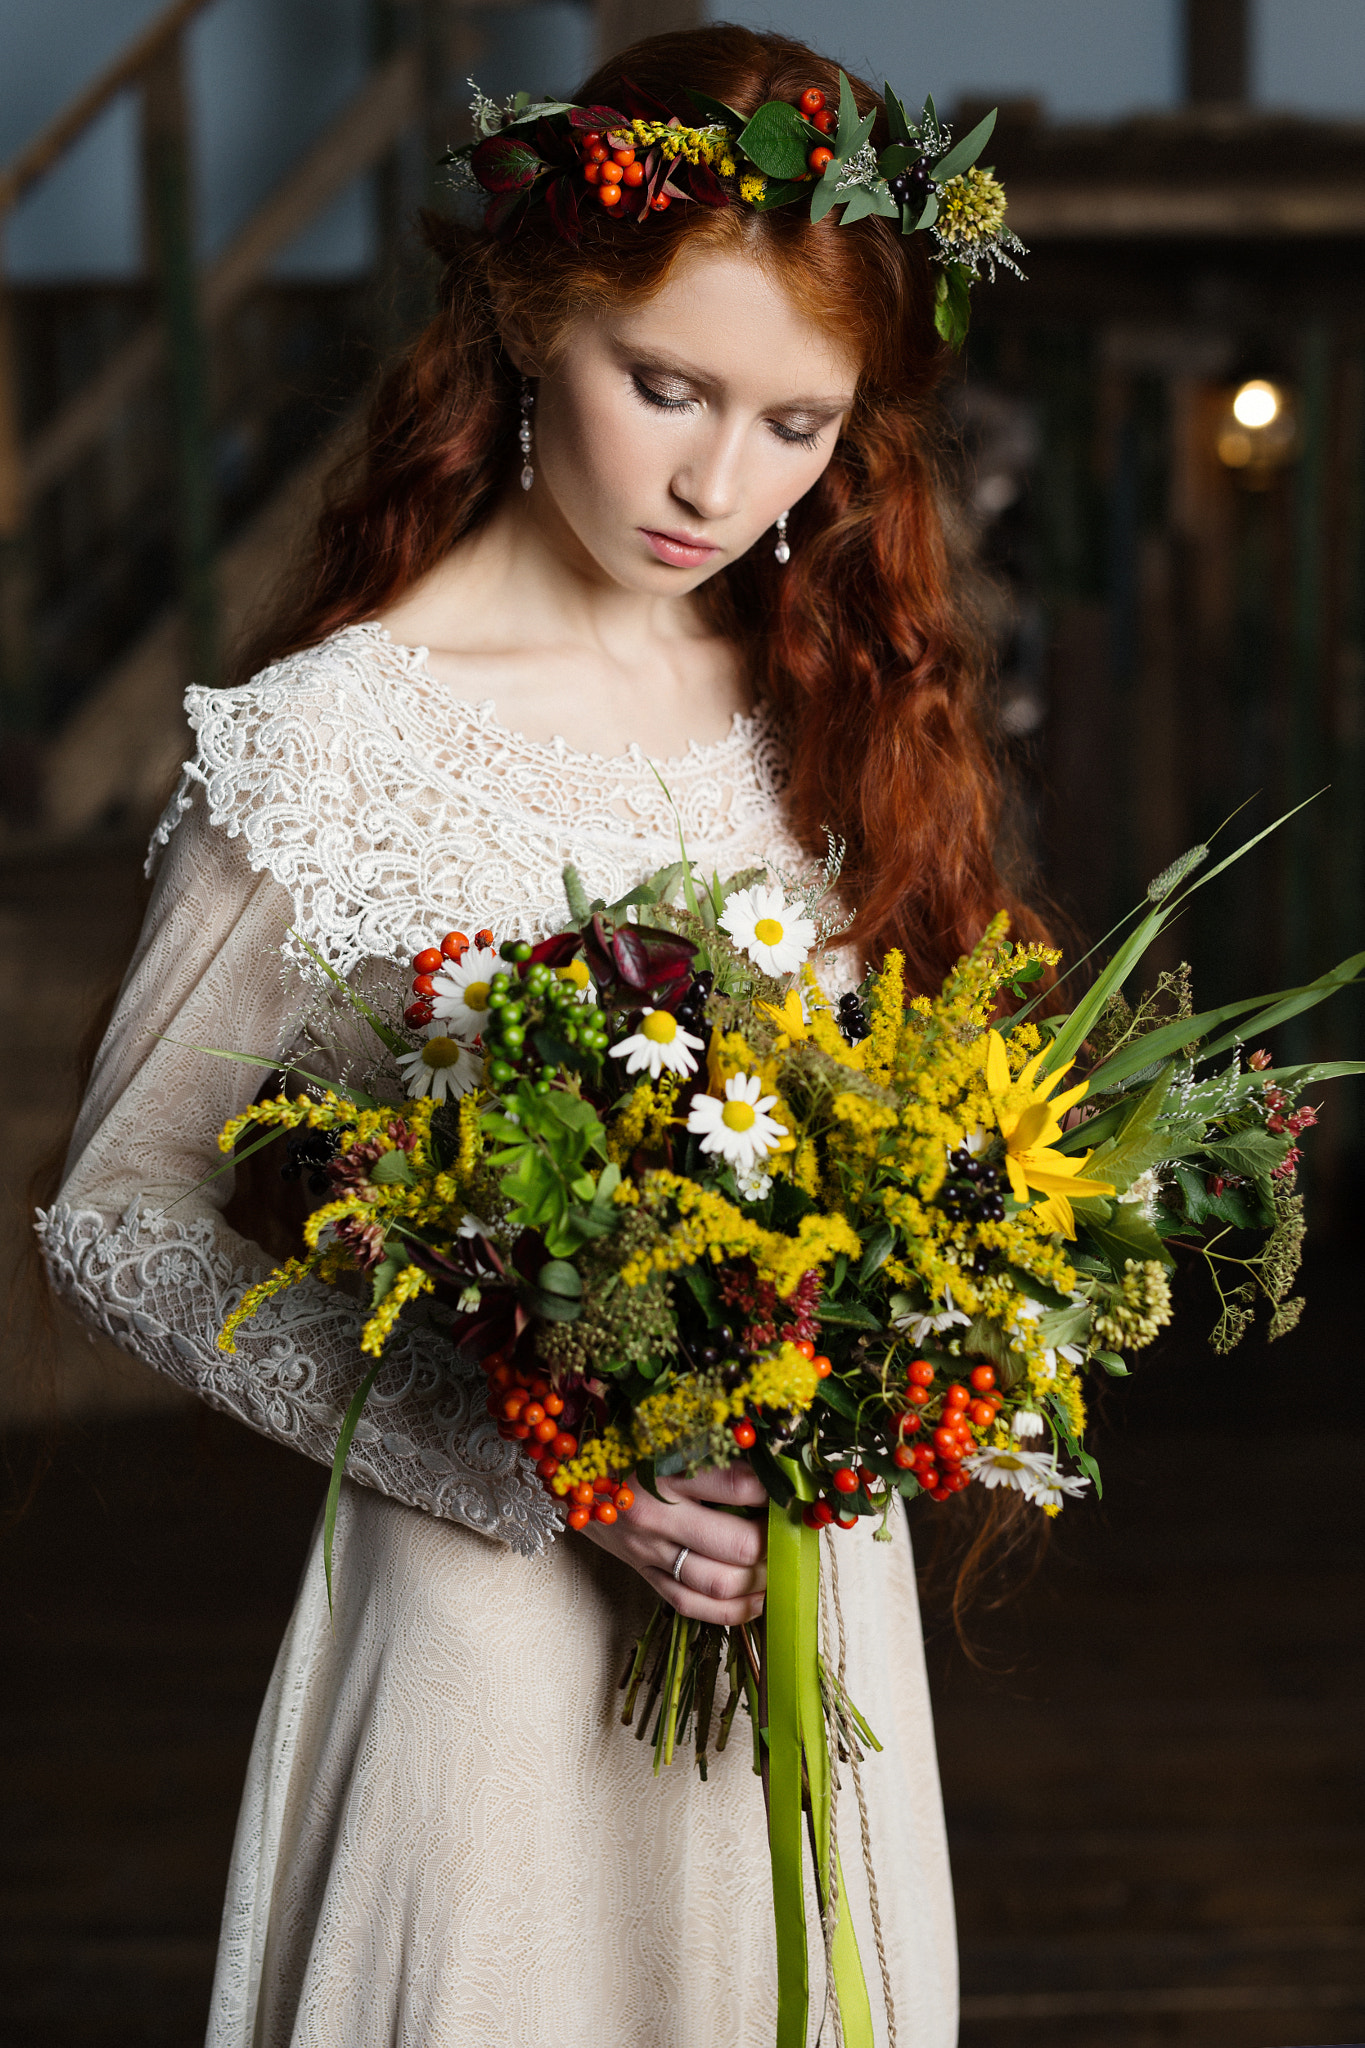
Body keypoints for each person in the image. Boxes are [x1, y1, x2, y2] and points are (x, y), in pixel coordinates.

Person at [39, 26, 1040, 2046]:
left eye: (791, 425)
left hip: (793, 1617)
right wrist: (522, 1450)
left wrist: (873, 1379)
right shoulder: (340, 732)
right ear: (524, 320)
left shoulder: (822, 709)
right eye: (662, 385)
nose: (714, 483)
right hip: (486, 1635)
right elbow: (121, 1212)